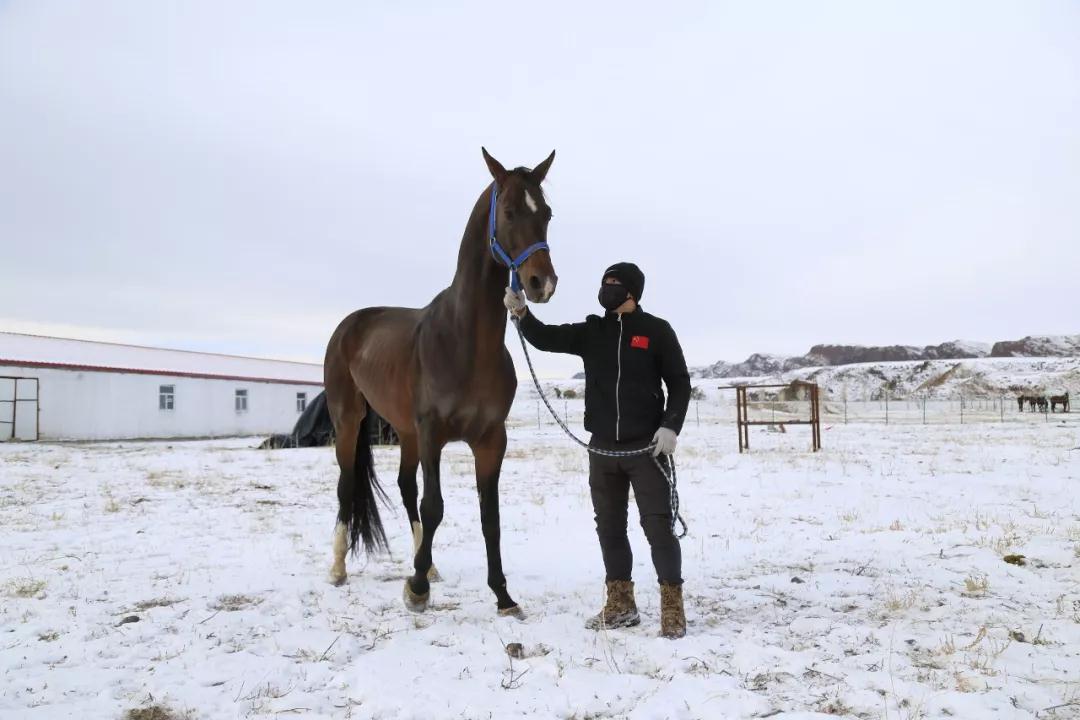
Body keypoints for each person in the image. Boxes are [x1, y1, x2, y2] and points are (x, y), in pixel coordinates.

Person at [504, 262, 691, 638]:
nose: (607, 288)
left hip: (647, 449)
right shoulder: (593, 331)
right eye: (605, 282)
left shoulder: (656, 331)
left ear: (633, 291)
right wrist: (522, 313)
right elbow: (546, 338)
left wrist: (670, 426)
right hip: (603, 449)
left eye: (615, 283)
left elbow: (680, 384)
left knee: (658, 526)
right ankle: (620, 604)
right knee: (609, 527)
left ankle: (672, 607)